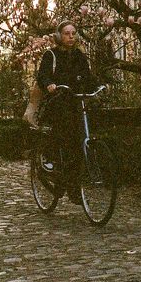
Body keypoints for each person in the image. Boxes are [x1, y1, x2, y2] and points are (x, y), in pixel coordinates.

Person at [36, 20, 99, 202]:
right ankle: (49, 161)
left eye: (73, 33)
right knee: (62, 135)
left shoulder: (79, 55)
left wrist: (98, 86)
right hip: (57, 103)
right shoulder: (51, 55)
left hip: (75, 102)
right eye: (66, 33)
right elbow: (43, 75)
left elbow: (87, 76)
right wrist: (49, 84)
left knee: (79, 143)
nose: (71, 37)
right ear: (59, 36)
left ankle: (72, 186)